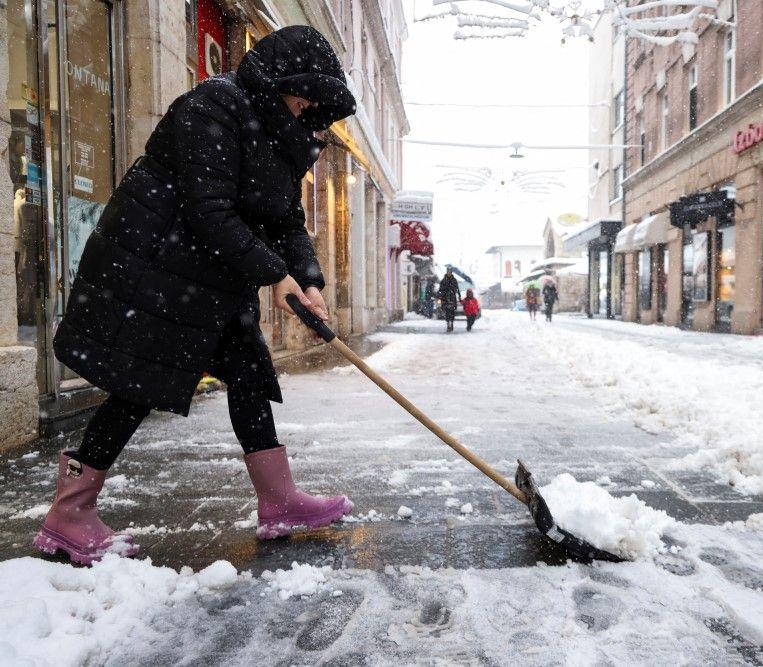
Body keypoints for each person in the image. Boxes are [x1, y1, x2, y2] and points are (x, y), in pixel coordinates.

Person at [33, 26, 358, 565]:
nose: (307, 106)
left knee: (251, 376)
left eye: (314, 101)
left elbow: (286, 218)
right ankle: (69, 512)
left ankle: (279, 501)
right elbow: (210, 213)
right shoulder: (214, 105)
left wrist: (309, 280)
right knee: (138, 386)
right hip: (159, 272)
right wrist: (274, 277)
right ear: (282, 81)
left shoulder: (283, 136)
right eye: (303, 94)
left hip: (214, 281)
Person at [437, 268, 461, 332]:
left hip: (452, 298)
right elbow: (440, 289)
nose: (449, 273)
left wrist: (459, 295)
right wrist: (441, 295)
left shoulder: (454, 280)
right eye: (448, 272)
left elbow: (457, 289)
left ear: (451, 273)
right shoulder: (443, 280)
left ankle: (452, 323)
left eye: (450, 272)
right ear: (447, 272)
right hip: (445, 298)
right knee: (447, 313)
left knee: (452, 313)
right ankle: (448, 324)